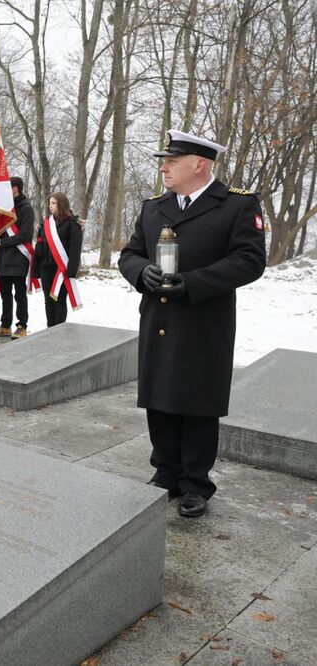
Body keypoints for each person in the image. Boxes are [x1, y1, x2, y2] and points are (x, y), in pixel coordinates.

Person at [118, 129, 266, 518]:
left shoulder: (236, 205)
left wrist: (193, 283)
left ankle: (195, 483)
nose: (163, 167)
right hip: (159, 317)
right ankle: (165, 472)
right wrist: (140, 272)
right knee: (160, 396)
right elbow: (130, 253)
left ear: (199, 165)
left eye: (171, 161)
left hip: (203, 321)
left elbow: (250, 261)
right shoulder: (154, 207)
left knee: (197, 399)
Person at [32, 192, 82, 327]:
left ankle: (59, 330)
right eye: (49, 203)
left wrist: (72, 269)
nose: (50, 206)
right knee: (48, 299)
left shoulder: (72, 224)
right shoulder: (46, 225)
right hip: (45, 267)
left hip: (61, 269)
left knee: (59, 300)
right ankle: (50, 328)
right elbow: (40, 248)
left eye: (53, 203)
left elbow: (75, 249)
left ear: (62, 204)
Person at [0, 176, 35, 337]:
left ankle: (22, 324)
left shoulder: (26, 208)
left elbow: (25, 235)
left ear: (15, 189)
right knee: (5, 294)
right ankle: (5, 324)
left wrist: (1, 243)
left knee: (19, 294)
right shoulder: (5, 208)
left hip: (18, 257)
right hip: (3, 259)